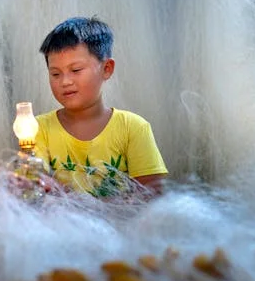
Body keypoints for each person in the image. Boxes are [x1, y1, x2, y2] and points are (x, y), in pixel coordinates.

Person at [33, 17, 168, 197]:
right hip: (61, 216)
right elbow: (34, 185)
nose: (65, 82)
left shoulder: (132, 127)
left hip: (120, 216)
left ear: (106, 68)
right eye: (56, 74)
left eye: (76, 70)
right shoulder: (39, 128)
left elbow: (152, 195)